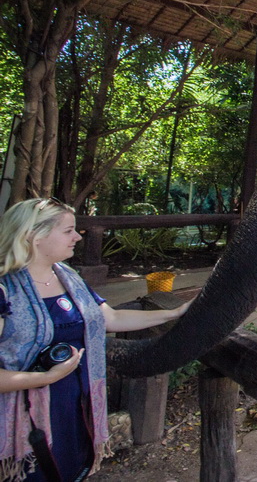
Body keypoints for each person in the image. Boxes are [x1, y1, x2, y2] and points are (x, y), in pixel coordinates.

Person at [1, 199, 191, 481]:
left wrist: (173, 313)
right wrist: (45, 378)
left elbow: (109, 319)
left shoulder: (68, 277)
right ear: (34, 235)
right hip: (27, 419)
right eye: (68, 231)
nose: (77, 237)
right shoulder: (5, 289)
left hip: (77, 409)